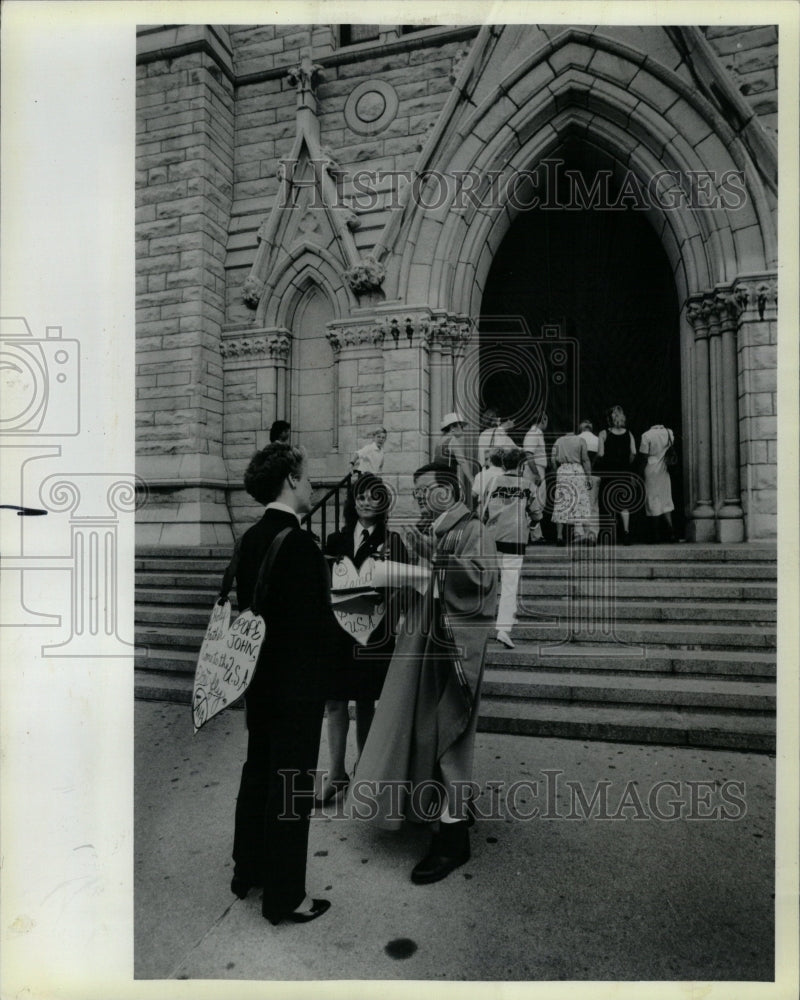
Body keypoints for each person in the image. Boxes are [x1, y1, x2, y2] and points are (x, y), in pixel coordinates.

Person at [350, 462, 497, 884]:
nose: (419, 501)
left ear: (450, 491)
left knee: (446, 735)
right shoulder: (435, 528)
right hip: (424, 641)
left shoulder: (473, 528)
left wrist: (436, 558)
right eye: (415, 495)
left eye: (425, 493)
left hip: (450, 647)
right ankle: (438, 809)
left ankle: (452, 842)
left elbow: (483, 582)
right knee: (421, 731)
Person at [230, 442, 344, 925]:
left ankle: (248, 871)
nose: (313, 482)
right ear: (292, 480)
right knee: (291, 785)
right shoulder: (298, 543)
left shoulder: (252, 537)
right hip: (296, 685)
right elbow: (314, 625)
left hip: (258, 680)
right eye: (308, 474)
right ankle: (286, 897)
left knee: (258, 770)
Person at [317, 474, 409, 804]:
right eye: (360, 496)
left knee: (367, 701)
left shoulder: (393, 541)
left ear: (383, 503)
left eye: (373, 497)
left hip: (374, 632)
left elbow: (400, 588)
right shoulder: (334, 539)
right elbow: (326, 586)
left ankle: (366, 773)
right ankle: (336, 773)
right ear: (351, 501)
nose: (365, 501)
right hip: (338, 631)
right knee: (335, 701)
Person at [481, 447, 542, 648]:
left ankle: (478, 620)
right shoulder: (528, 485)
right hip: (515, 539)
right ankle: (504, 628)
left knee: (488, 581)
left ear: (503, 464)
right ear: (522, 466)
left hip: (492, 537)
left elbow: (482, 511)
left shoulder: (492, 482)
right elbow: (537, 514)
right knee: (509, 584)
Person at [597, 405, 637, 545]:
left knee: (608, 503)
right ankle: (626, 533)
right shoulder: (629, 434)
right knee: (624, 505)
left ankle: (609, 535)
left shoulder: (603, 434)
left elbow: (600, 453)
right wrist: (626, 463)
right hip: (624, 472)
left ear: (610, 418)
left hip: (609, 471)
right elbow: (634, 453)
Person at [551, 427, 593, 545]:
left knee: (562, 503)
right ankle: (586, 533)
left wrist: (557, 472)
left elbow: (553, 460)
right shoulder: (580, 441)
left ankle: (559, 536)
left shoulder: (558, 441)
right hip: (577, 470)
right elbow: (585, 460)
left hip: (563, 470)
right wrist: (588, 477)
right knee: (581, 501)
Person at [639, 422, 677, 542]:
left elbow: (644, 455)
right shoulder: (669, 432)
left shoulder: (646, 435)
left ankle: (655, 535)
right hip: (664, 469)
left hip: (650, 469)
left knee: (652, 499)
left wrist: (639, 473)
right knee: (666, 499)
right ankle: (671, 531)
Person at [433, 412, 473, 504]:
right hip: (449, 480)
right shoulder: (452, 440)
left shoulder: (439, 442)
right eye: (461, 426)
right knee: (455, 510)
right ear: (453, 427)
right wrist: (471, 479)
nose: (463, 429)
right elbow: (462, 461)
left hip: (438, 480)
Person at [522, 415, 548, 542]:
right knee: (534, 502)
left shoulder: (538, 434)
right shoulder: (533, 434)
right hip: (534, 469)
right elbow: (529, 454)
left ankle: (536, 535)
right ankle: (531, 534)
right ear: (543, 420)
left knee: (538, 502)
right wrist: (536, 473)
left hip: (538, 468)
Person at [578, 419, 601, 543]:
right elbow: (601, 456)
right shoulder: (598, 440)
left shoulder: (577, 439)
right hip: (594, 475)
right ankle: (592, 534)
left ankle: (583, 533)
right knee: (593, 505)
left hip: (580, 474)